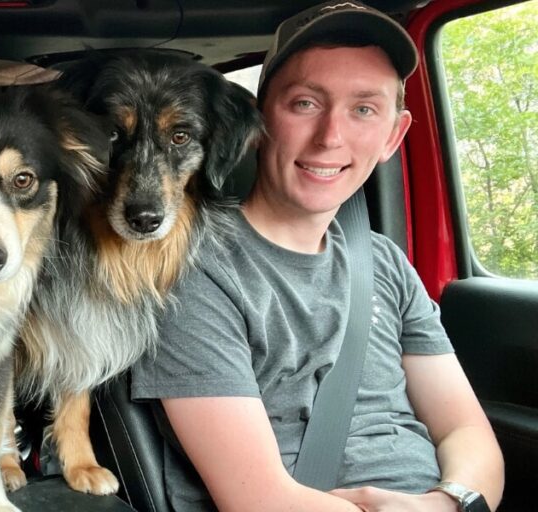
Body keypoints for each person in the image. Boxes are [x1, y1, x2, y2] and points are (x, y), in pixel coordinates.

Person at [131, 1, 504, 511]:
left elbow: (466, 430)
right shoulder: (193, 269)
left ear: (394, 134)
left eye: (364, 109)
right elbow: (260, 500)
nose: (331, 137)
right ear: (260, 123)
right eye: (305, 103)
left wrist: (445, 503)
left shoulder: (384, 264)